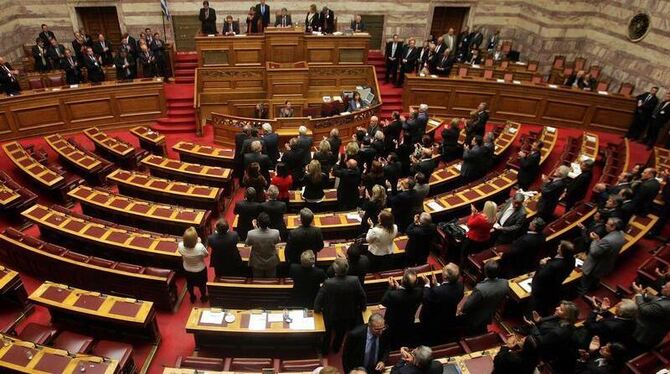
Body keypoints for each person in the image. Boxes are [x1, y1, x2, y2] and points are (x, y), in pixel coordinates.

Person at [315, 257, 367, 354]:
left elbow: (319, 299)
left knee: (327, 333)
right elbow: (362, 296)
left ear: (335, 270)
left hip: (330, 313)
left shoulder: (328, 283)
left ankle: (325, 350)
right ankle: (336, 348)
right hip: (347, 313)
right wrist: (363, 308)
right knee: (340, 333)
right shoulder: (354, 280)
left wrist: (317, 309)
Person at [526, 301, 579, 374]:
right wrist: (539, 320)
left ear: (566, 316)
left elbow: (541, 341)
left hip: (544, 352)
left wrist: (533, 327)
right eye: (559, 306)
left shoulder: (559, 331)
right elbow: (545, 321)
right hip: (544, 338)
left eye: (561, 309)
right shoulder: (563, 319)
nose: (556, 308)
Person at [419, 263, 464, 345]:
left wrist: (427, 284)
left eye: (444, 270)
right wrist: (437, 285)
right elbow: (448, 294)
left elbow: (426, 299)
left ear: (445, 276)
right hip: (449, 317)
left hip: (432, 320)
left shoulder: (437, 291)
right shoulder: (460, 286)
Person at [460, 260, 509, 335]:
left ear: (485, 272)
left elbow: (467, 306)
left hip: (475, 317)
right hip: (489, 314)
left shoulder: (480, 288)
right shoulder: (505, 283)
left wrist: (461, 309)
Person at [579, 217, 625, 294]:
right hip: (605, 265)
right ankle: (593, 288)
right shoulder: (621, 234)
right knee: (595, 280)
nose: (605, 225)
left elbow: (594, 252)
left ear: (613, 227)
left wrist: (595, 240)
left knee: (584, 284)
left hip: (594, 267)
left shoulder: (607, 240)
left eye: (608, 224)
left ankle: (583, 295)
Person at [531, 241, 576, 317]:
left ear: (562, 251)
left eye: (560, 246)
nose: (558, 246)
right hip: (555, 287)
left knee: (536, 308)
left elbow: (540, 277)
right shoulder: (572, 260)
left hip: (541, 289)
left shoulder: (553, 266)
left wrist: (542, 265)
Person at [381, 269, 423, 349]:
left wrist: (390, 287)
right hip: (408, 322)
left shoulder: (393, 294)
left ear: (402, 280)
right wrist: (399, 288)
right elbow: (406, 293)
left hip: (392, 324)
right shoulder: (419, 292)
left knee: (391, 344)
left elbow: (383, 302)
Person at [631, 280, 670, 352]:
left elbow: (644, 309)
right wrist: (643, 294)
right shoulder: (667, 300)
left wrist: (638, 295)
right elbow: (658, 299)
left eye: (666, 287)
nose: (662, 286)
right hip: (656, 332)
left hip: (643, 335)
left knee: (633, 349)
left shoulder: (663, 306)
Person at [178, 227, 209, 303]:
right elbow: (206, 255)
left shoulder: (180, 245)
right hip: (200, 270)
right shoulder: (200, 247)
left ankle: (192, 297)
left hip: (187, 269)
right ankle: (203, 297)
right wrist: (199, 243)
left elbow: (181, 252)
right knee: (202, 285)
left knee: (189, 284)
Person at [246, 212, 281, 278]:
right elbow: (278, 241)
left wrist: (255, 227)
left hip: (257, 262)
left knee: (257, 282)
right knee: (271, 282)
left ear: (258, 223)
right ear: (269, 222)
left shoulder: (250, 233)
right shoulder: (276, 232)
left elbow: (247, 243)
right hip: (271, 262)